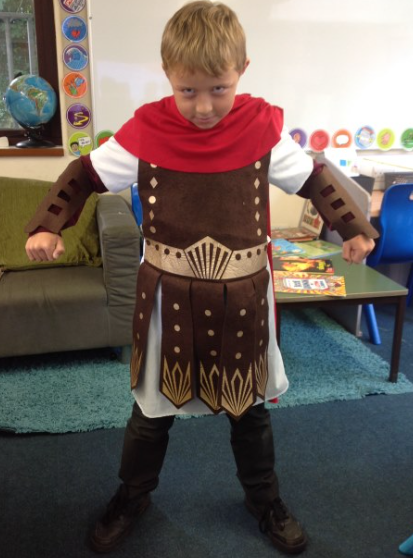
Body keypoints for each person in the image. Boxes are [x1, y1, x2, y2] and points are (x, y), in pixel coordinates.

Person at [25, 2, 378, 554]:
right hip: (167, 298)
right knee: (151, 411)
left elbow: (313, 178)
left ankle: (264, 500)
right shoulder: (146, 131)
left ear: (242, 70)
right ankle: (132, 497)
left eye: (219, 88)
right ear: (168, 74)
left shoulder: (261, 130)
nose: (204, 106)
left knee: (250, 410)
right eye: (188, 91)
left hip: (244, 296)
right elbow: (85, 174)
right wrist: (48, 225)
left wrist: (353, 226)